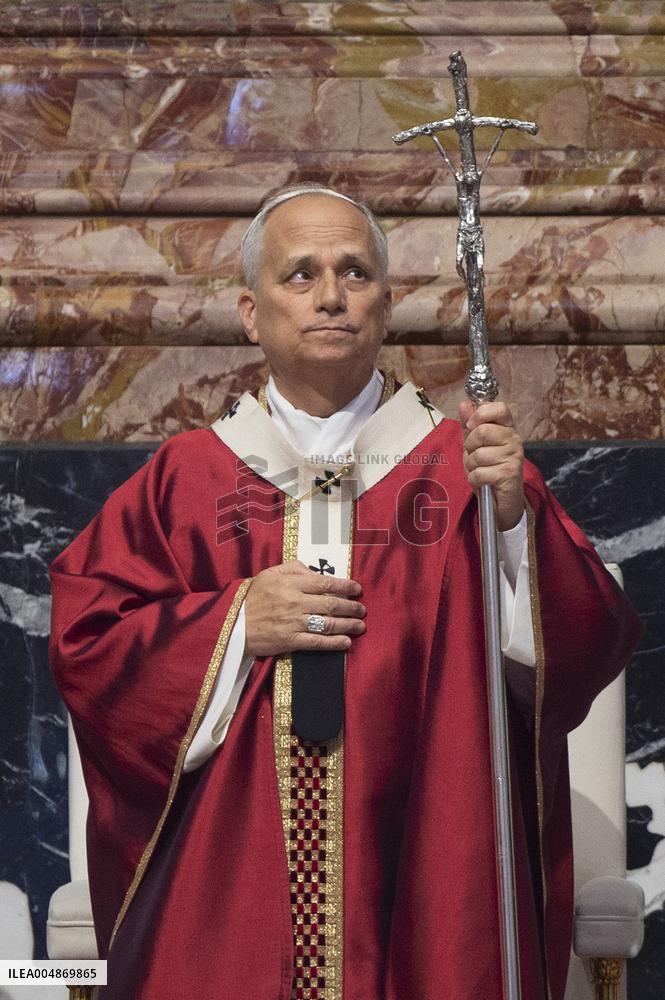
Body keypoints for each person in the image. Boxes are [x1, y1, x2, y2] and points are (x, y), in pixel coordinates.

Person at [48, 184, 642, 1000]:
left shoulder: (467, 468)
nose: (330, 295)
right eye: (300, 275)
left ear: (386, 304)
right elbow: (90, 645)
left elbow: (589, 639)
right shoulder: (184, 480)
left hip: (424, 866)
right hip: (229, 883)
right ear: (250, 312)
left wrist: (513, 526)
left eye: (354, 272)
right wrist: (229, 625)